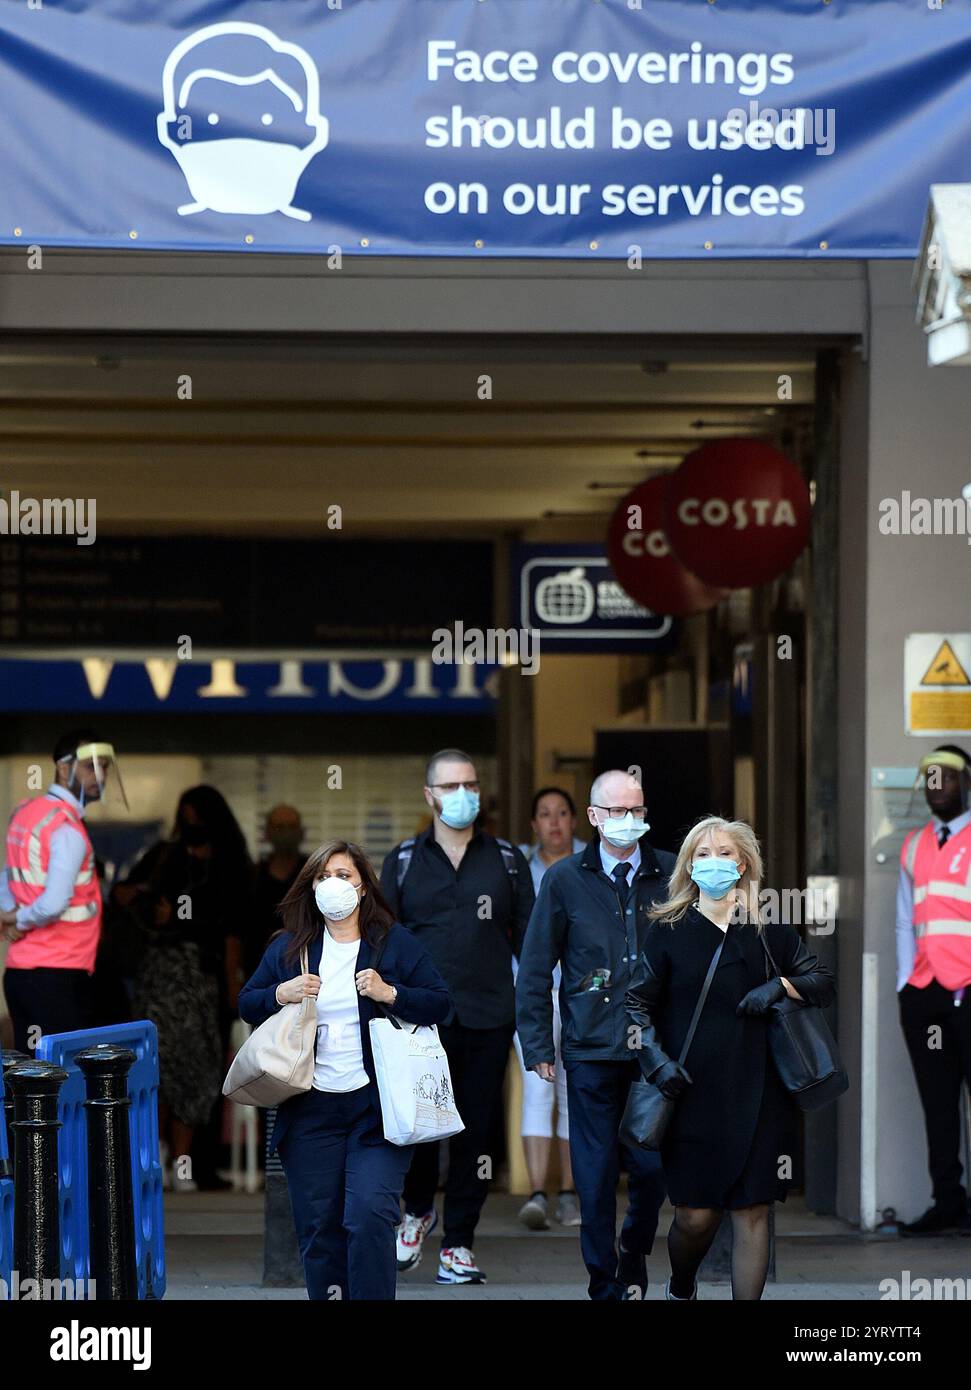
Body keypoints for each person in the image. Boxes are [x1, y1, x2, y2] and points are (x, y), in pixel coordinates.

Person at [625, 816, 836, 1301]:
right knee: (695, 1216)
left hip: (761, 1092)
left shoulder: (767, 930)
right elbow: (635, 1005)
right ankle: (681, 1285)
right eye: (702, 854)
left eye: (724, 854)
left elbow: (821, 981)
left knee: (753, 1212)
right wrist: (656, 1062)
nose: (713, 863)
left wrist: (779, 986)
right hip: (690, 1091)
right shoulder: (668, 930)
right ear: (688, 865)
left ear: (743, 863)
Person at [238, 839, 451, 1301]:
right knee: (320, 1227)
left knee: (370, 1215)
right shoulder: (291, 948)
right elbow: (247, 1003)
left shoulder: (393, 942)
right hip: (310, 1109)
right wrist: (282, 992)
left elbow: (440, 1003)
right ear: (311, 886)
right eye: (323, 876)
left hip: (377, 1108)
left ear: (363, 887)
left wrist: (391, 993)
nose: (333, 885)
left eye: (344, 876)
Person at [516, 768, 673, 1300]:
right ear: (593, 817)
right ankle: (604, 1282)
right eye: (616, 812)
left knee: (651, 1170)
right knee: (594, 1175)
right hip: (588, 1048)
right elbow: (535, 968)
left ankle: (634, 1247)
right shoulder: (564, 880)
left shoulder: (671, 874)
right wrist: (538, 1046)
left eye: (637, 811)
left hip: (654, 1050)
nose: (628, 821)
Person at [381, 748, 534, 1285]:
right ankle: (418, 1210)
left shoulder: (508, 861)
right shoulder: (402, 860)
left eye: (469, 784)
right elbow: (382, 940)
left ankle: (460, 1243)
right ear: (429, 796)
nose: (462, 794)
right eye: (450, 786)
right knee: (419, 1126)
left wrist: (531, 1015)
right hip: (419, 1017)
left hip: (488, 1015)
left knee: (474, 1130)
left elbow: (531, 944)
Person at [113, 785, 250, 1192]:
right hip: (162, 977)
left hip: (201, 982)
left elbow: (232, 934)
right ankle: (151, 1164)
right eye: (185, 819)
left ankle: (186, 1166)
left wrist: (230, 989)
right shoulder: (166, 857)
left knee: (197, 1075)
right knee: (156, 1073)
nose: (191, 828)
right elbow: (120, 895)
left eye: (197, 819)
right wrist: (149, 900)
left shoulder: (229, 865)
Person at [1, 730, 125, 1053]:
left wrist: (9, 916)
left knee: (31, 1076)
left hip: (21, 973)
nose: (100, 776)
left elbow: (8, 876)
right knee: (59, 1078)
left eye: (105, 767)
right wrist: (16, 919)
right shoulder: (67, 829)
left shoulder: (25, 813)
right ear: (64, 768)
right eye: (90, 767)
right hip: (59, 975)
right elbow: (54, 903)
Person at [897, 745, 971, 1236]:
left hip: (968, 990)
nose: (935, 784)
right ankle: (948, 1202)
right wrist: (905, 983)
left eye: (945, 776)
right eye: (928, 777)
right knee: (938, 1103)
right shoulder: (915, 845)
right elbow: (905, 919)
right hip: (925, 994)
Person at [513, 786, 586, 1231]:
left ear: (576, 820)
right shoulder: (518, 865)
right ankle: (538, 1193)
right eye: (545, 814)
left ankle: (571, 1196)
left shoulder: (592, 862)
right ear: (534, 824)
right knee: (537, 1088)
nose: (554, 822)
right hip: (534, 993)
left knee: (573, 1092)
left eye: (562, 813)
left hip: (582, 994)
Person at [247, 804, 307, 979]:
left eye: (292, 827)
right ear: (267, 832)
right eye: (279, 827)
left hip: (305, 972)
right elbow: (236, 931)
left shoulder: (313, 875)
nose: (286, 833)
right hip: (257, 972)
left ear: (301, 832)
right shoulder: (252, 876)